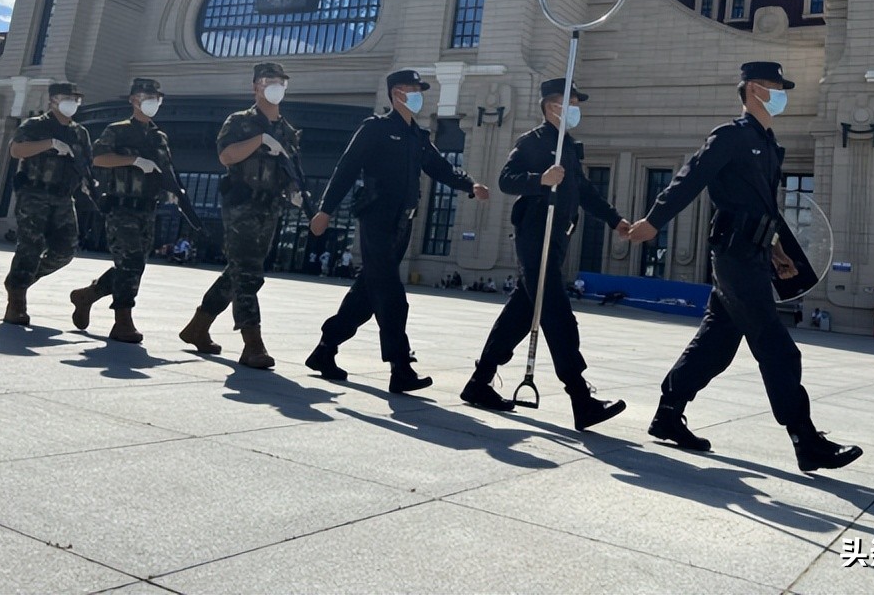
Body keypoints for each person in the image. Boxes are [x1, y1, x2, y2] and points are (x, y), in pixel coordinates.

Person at [626, 61, 863, 473]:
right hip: (733, 257)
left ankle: (668, 414)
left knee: (715, 346)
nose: (783, 93)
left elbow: (765, 208)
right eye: (777, 86)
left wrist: (776, 250)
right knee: (777, 346)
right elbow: (690, 177)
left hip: (753, 255)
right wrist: (653, 221)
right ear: (755, 89)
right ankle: (805, 439)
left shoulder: (768, 144)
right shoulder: (731, 136)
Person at [460, 78, 632, 431]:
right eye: (571, 102)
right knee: (556, 311)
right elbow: (507, 179)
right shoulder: (535, 142)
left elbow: (582, 189)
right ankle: (580, 397)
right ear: (551, 105)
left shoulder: (566, 145)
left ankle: (479, 382)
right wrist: (541, 178)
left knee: (521, 314)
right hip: (535, 234)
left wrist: (615, 220)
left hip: (556, 237)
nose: (576, 109)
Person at [305, 70, 490, 393]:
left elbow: (440, 167)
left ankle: (325, 350)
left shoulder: (417, 136)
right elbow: (346, 168)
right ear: (396, 93)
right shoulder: (375, 128)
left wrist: (470, 185)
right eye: (412, 89)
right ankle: (400, 367)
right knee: (392, 295)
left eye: (420, 89)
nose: (418, 95)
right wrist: (325, 209)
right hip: (376, 217)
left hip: (403, 223)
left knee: (366, 294)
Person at [178, 62, 303, 368]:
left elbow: (291, 169)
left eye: (281, 82)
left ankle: (198, 326)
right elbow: (226, 155)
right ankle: (252, 344)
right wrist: (260, 140)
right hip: (241, 204)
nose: (276, 86)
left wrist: (296, 191)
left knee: (239, 270)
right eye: (269, 81)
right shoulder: (239, 122)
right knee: (248, 274)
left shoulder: (287, 130)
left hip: (270, 207)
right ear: (255, 87)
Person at [67, 78, 174, 343]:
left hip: (148, 209)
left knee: (133, 265)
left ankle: (87, 296)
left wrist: (171, 189)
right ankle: (122, 321)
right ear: (133, 100)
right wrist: (134, 160)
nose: (152, 102)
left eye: (156, 98)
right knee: (131, 261)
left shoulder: (159, 136)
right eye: (146, 97)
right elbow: (98, 158)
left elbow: (166, 168)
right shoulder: (118, 130)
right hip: (121, 206)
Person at [2, 82, 93, 326]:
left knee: (65, 251)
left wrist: (87, 184)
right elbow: (16, 150)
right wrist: (50, 143)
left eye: (76, 99)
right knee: (30, 247)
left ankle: (20, 281)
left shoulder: (79, 133)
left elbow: (85, 163)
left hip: (64, 198)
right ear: (52, 100)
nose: (73, 103)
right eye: (67, 98)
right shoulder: (35, 126)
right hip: (34, 195)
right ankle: (16, 303)